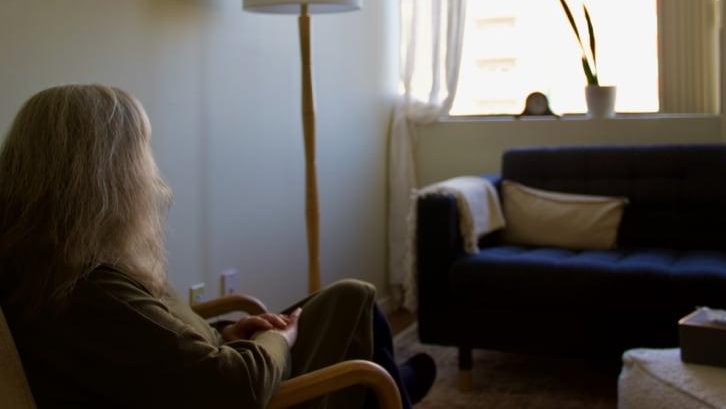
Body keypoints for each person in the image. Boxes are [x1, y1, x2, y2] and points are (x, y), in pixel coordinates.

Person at [0, 84, 435, 408]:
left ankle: (392, 386)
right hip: (251, 391)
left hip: (211, 367)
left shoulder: (51, 266)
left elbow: (155, 351)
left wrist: (225, 333)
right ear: (107, 179)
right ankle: (388, 389)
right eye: (141, 154)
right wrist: (280, 340)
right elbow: (234, 386)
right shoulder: (91, 291)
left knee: (353, 300)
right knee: (355, 306)